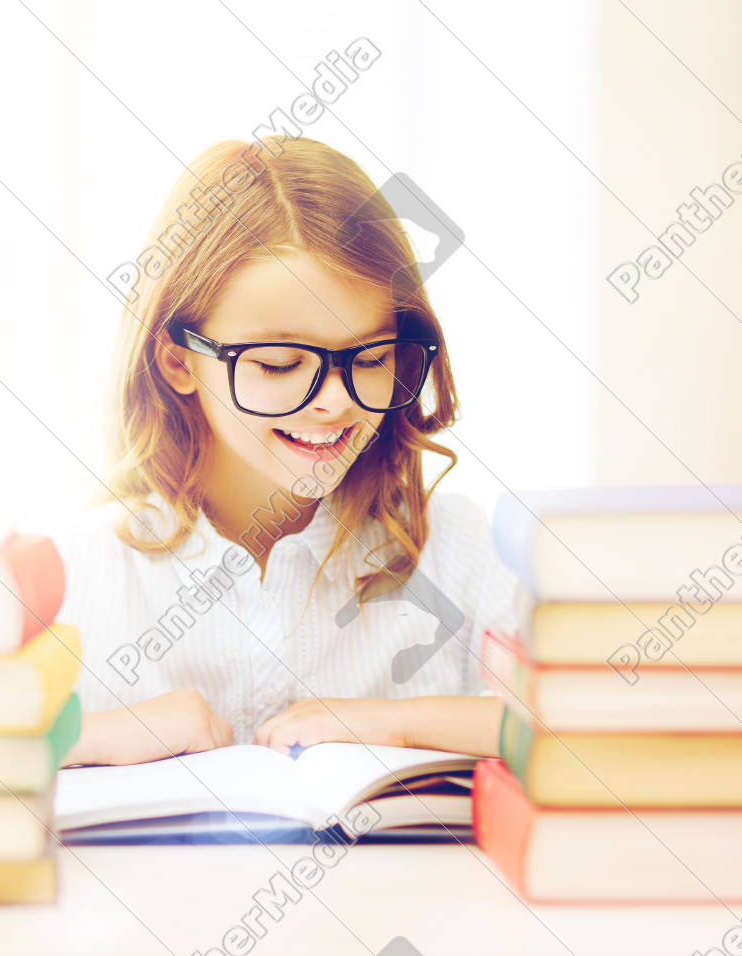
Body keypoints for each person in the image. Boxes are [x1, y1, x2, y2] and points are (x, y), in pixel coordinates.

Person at [57, 136, 515, 765]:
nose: (333, 403)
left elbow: (586, 734)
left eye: (373, 358)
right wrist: (89, 737)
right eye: (278, 364)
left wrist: (401, 725)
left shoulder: (456, 548)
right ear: (177, 360)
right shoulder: (83, 572)